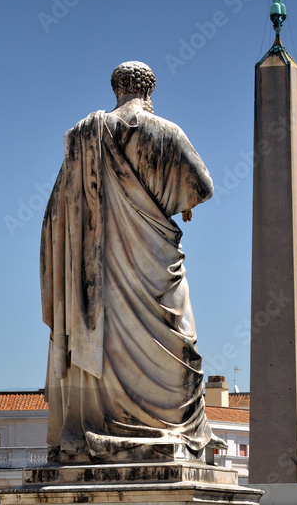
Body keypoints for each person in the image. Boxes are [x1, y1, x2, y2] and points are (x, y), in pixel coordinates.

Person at [40, 61, 222, 463]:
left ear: (116, 89)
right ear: (149, 92)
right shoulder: (166, 133)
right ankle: (166, 427)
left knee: (105, 343)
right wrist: (175, 198)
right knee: (181, 340)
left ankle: (103, 425)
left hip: (96, 272)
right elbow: (203, 186)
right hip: (156, 261)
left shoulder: (82, 139)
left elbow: (55, 214)